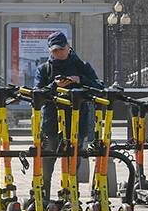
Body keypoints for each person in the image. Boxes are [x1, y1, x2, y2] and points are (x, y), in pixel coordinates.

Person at [34, 31, 102, 201]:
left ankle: (70, 197)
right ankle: (43, 198)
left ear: (68, 47)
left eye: (61, 49)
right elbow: (37, 94)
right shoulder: (44, 69)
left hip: (76, 123)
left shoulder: (82, 66)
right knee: (47, 161)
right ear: (50, 51)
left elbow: (99, 88)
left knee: (73, 162)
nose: (58, 53)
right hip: (51, 123)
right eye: (55, 51)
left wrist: (79, 80)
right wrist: (54, 85)